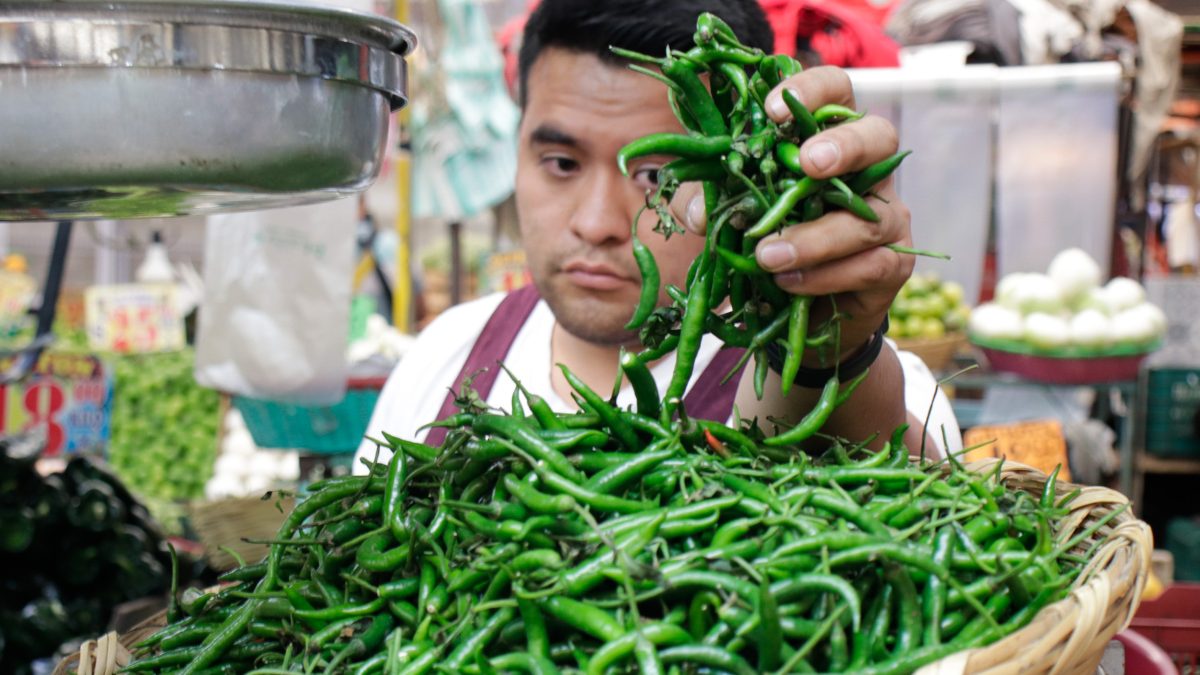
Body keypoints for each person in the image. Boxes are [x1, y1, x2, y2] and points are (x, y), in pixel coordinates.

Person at [355, 0, 961, 470]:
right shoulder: (447, 353)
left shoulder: (872, 376)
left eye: (656, 175)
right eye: (561, 163)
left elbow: (914, 518)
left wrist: (830, 356)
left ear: (738, 175)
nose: (595, 222)